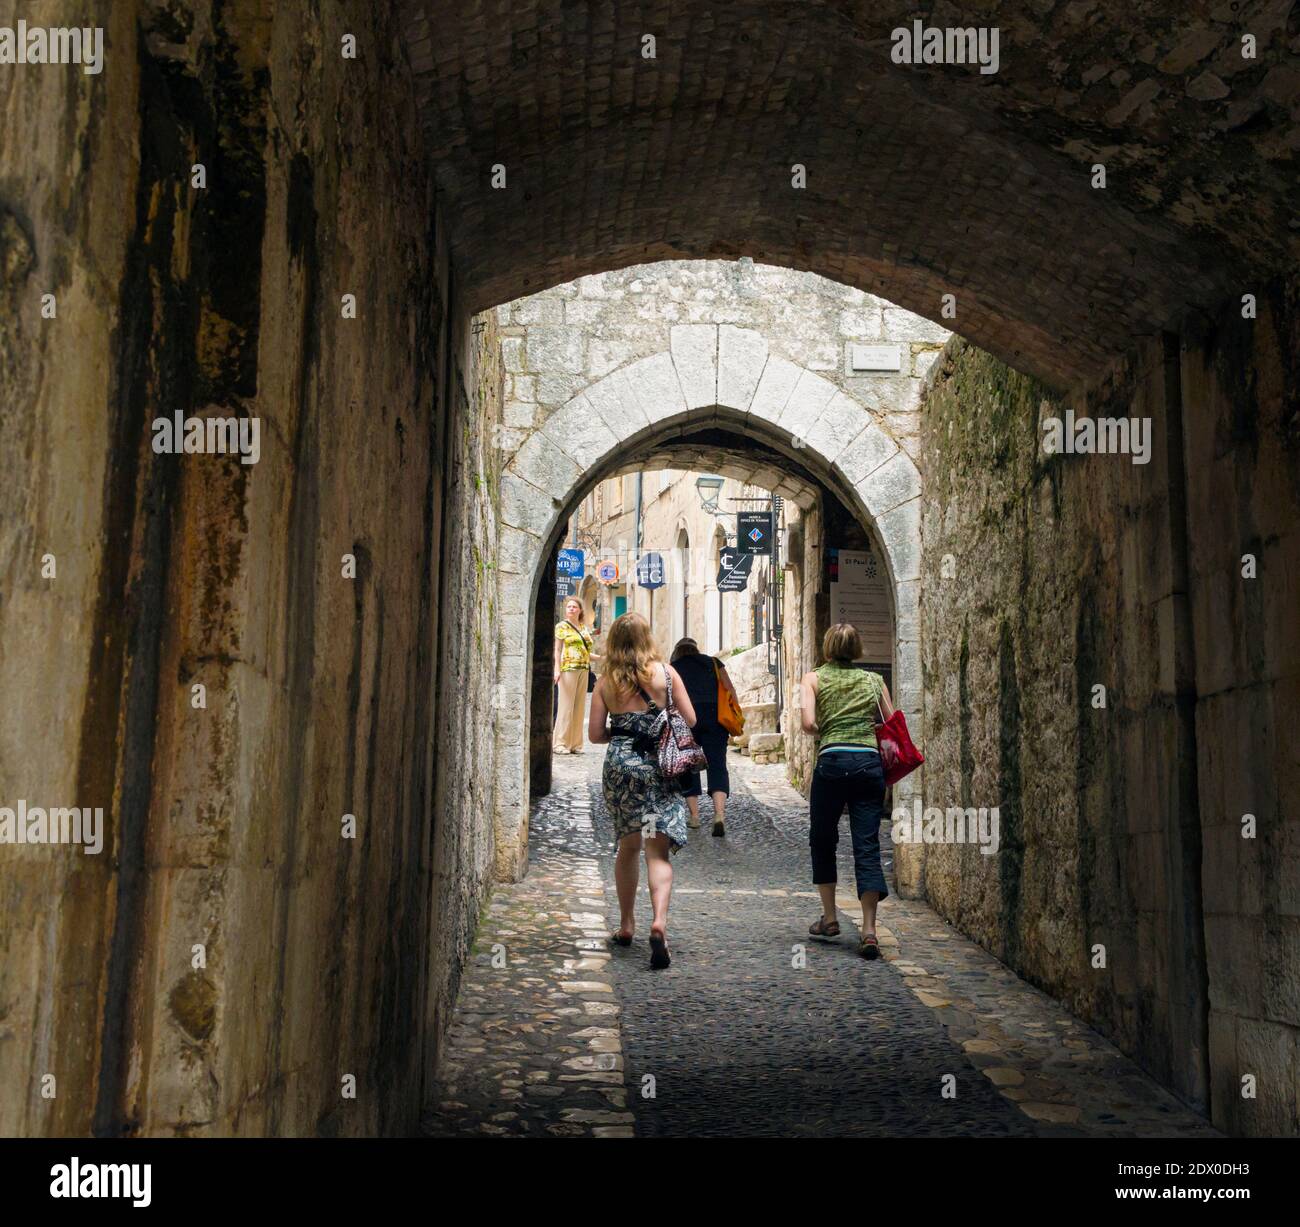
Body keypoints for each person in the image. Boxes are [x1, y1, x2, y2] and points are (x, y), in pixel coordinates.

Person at [588, 613, 696, 970]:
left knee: (628, 845)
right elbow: (691, 720)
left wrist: (621, 734)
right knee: (656, 850)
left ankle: (625, 925)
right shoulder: (666, 674)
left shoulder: (606, 681)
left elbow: (594, 734)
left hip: (621, 771)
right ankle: (659, 924)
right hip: (657, 771)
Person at [799, 622, 896, 959]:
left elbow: (808, 723)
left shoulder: (813, 679)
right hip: (869, 766)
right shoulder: (874, 681)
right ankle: (869, 931)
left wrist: (833, 727)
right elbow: (892, 721)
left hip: (832, 762)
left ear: (827, 647)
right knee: (867, 844)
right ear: (857, 649)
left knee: (822, 838)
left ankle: (829, 918)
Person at [670, 638, 738, 837]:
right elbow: (729, 689)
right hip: (715, 717)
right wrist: (735, 714)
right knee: (717, 764)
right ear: (696, 650)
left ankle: (695, 816)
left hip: (686, 718)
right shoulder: (714, 663)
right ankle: (719, 814)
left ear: (677, 652)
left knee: (689, 766)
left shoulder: (673, 668)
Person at [553, 597, 599, 754]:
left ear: (580, 610)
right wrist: (556, 669)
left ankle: (575, 744)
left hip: (584, 668)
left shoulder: (583, 628)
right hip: (568, 668)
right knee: (566, 706)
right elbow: (557, 649)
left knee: (579, 707)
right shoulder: (561, 627)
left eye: (574, 607)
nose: (571, 609)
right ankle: (560, 743)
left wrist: (601, 658)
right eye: (569, 607)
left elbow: (586, 651)